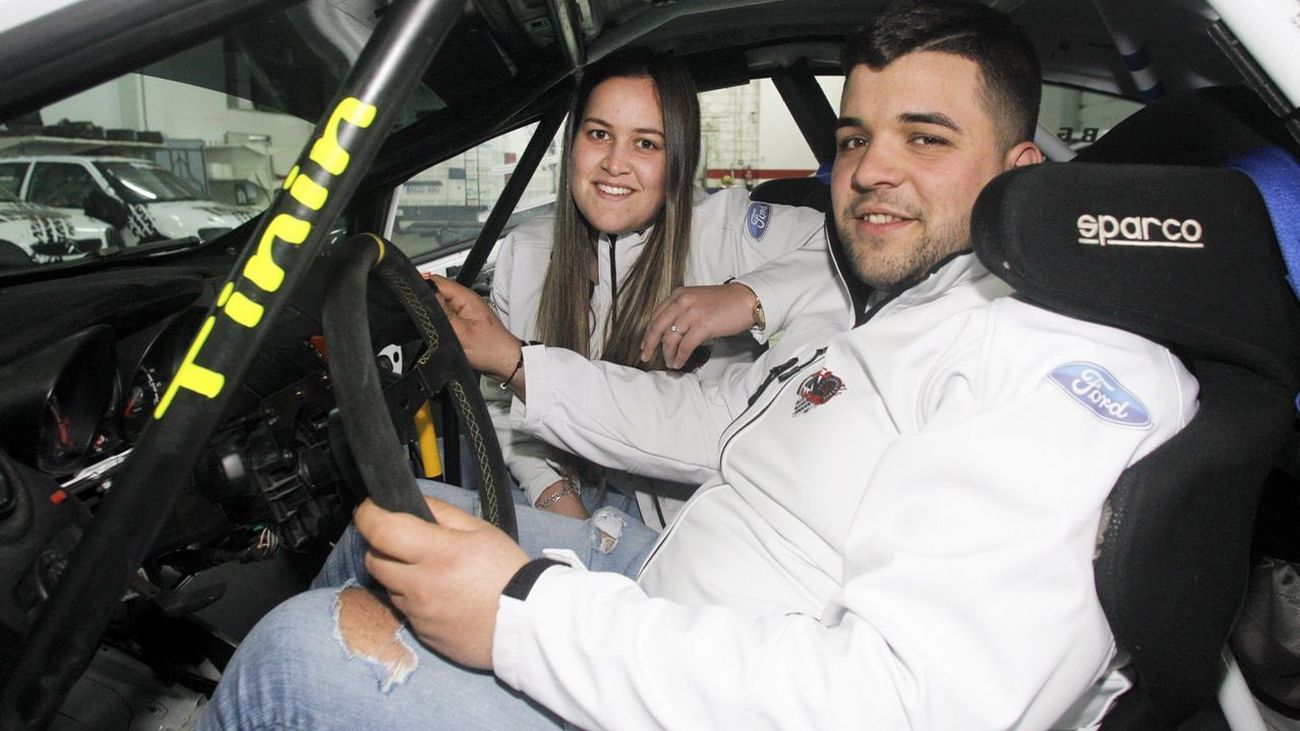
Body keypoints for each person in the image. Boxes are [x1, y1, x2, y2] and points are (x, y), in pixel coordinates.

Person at [199, 1, 1199, 728]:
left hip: (687, 669)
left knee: (300, 651)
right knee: (412, 506)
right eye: (854, 137)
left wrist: (523, 612)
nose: (870, 170)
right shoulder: (911, 312)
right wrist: (517, 375)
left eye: (924, 139)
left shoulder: (1056, 365)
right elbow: (715, 421)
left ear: (1021, 174)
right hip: (667, 599)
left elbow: (912, 701)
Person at [485, 51, 848, 527]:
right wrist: (553, 495)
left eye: (646, 144)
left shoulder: (727, 228)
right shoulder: (523, 254)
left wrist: (749, 295)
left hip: (693, 523)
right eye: (599, 135)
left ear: (680, 156)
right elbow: (502, 405)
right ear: (572, 144)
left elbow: (850, 253)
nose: (615, 164)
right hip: (571, 496)